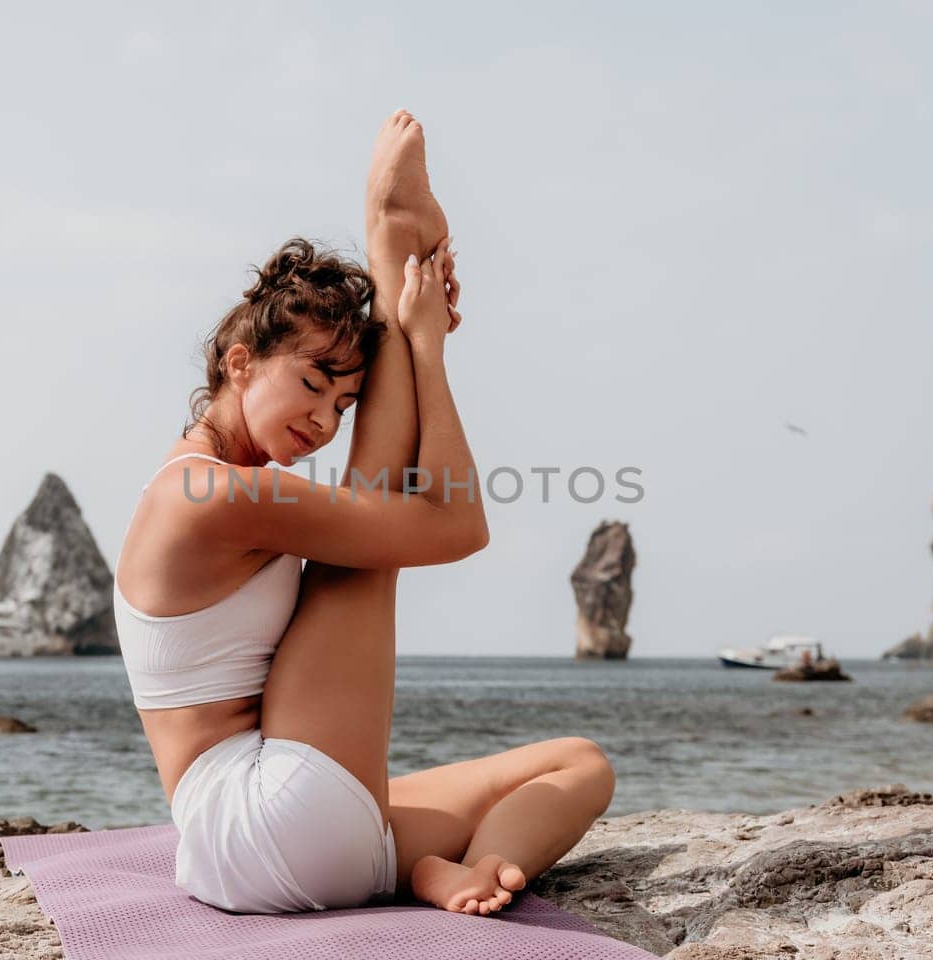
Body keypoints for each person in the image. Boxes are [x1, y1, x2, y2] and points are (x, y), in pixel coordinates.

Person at [115, 110, 614, 917]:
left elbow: (404, 510)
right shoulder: (211, 496)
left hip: (254, 845)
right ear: (239, 363)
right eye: (313, 383)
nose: (324, 419)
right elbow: (454, 525)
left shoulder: (216, 487)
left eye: (347, 401)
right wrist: (426, 350)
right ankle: (389, 265)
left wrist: (414, 342)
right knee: (360, 539)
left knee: (581, 764)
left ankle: (463, 871)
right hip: (269, 812)